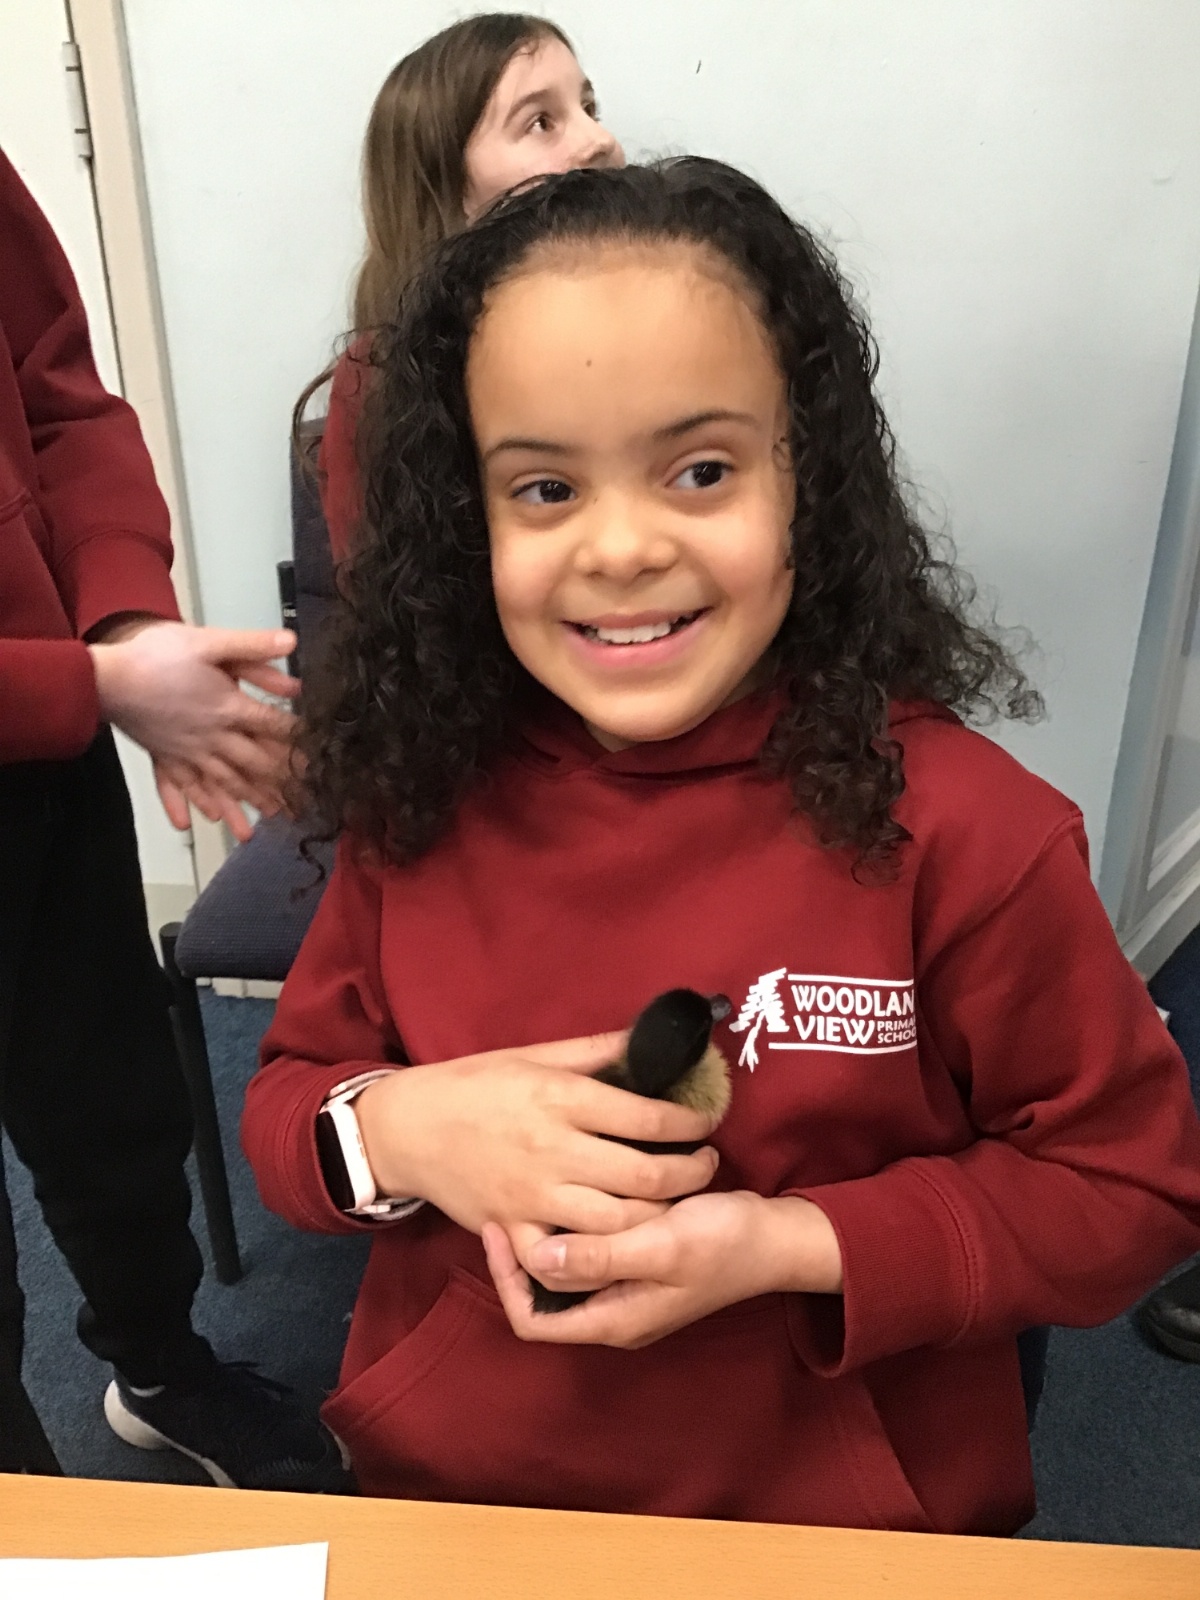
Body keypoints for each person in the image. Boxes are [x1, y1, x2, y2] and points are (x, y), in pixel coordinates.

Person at [242, 158, 1200, 1532]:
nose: (623, 547)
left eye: (700, 471)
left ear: (806, 481)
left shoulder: (969, 830)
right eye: (544, 488)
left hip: (841, 1533)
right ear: (470, 521)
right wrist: (397, 1130)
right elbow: (288, 1107)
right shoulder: (426, 797)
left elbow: (1129, 1188)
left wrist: (791, 1243)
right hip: (464, 1504)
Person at [0, 147, 346, 1489]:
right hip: (54, 703)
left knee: (114, 1104)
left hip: (43, 761)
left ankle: (158, 1367)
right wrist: (84, 684)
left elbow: (59, 401)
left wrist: (123, 620)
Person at [309, 11, 623, 562]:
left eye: (589, 108)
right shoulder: (377, 387)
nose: (600, 140)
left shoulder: (672, 322)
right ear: (448, 189)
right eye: (541, 122)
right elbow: (385, 598)